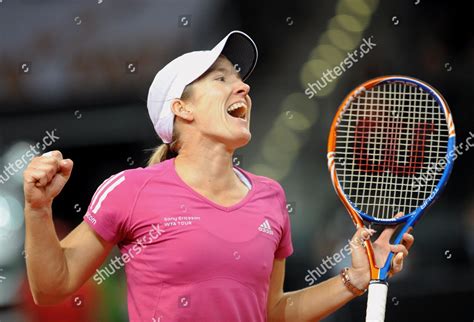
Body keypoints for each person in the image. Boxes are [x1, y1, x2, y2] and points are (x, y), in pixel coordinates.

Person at [23, 31, 414, 321]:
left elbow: (273, 312)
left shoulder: (271, 197)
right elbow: (51, 287)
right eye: (221, 79)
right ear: (182, 109)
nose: (243, 86)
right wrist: (38, 209)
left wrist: (356, 279)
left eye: (240, 79)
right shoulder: (131, 189)